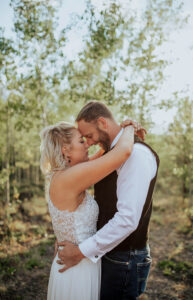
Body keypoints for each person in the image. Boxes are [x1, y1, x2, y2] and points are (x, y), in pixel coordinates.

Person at [57, 101, 159, 300]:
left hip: (125, 259)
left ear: (103, 123)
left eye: (89, 135)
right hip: (109, 253)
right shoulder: (112, 153)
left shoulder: (136, 155)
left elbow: (127, 220)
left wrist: (80, 252)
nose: (88, 142)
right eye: (83, 139)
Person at [40, 120, 136, 300]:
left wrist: (105, 137)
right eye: (82, 141)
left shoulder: (62, 175)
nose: (88, 145)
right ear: (65, 149)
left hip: (78, 262)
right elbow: (123, 152)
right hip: (77, 269)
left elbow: (102, 155)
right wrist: (130, 127)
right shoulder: (70, 177)